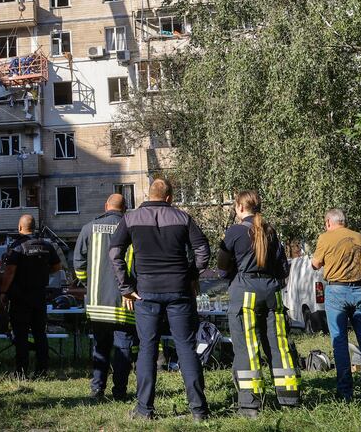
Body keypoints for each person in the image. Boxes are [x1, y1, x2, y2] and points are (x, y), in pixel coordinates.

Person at [108, 178, 211, 422]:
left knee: (147, 348)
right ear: (169, 197)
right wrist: (191, 275)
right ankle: (199, 410)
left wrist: (125, 287)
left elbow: (114, 253)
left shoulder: (130, 218)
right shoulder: (183, 218)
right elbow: (203, 252)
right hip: (179, 291)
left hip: (145, 292)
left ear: (148, 194)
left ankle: (144, 410)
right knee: (186, 347)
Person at [217, 191, 300, 418]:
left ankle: (249, 404)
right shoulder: (271, 231)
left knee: (247, 347)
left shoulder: (235, 231)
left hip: (245, 292)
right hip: (273, 293)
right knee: (279, 345)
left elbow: (222, 267)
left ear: (240, 207)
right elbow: (284, 269)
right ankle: (289, 398)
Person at [311, 208, 361, 403]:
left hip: (336, 292)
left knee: (340, 343)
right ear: (344, 221)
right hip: (359, 291)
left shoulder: (325, 237)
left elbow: (316, 264)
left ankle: (346, 393)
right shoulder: (359, 237)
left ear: (328, 222)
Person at [73, 193, 137, 402]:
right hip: (124, 301)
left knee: (100, 347)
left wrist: (88, 283)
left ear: (105, 205)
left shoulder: (89, 228)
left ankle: (97, 389)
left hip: (97, 302)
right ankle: (119, 392)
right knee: (124, 347)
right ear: (125, 208)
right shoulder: (132, 228)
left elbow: (78, 264)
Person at [0, 214, 61, 378]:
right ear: (35, 227)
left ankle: (21, 371)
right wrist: (43, 272)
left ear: (20, 228)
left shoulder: (17, 247)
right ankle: (42, 370)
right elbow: (57, 266)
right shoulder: (47, 245)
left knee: (21, 335)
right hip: (39, 295)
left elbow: (10, 272)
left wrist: (3, 292)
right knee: (40, 334)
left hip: (20, 297)